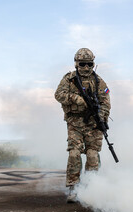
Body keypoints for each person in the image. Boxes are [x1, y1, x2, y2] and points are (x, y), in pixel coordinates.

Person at [55, 48, 111, 203]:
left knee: (93, 155)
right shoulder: (69, 79)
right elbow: (58, 95)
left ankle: (91, 189)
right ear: (76, 63)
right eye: (82, 64)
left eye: (89, 64)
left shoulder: (99, 82)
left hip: (93, 125)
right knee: (74, 154)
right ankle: (73, 188)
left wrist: (100, 117)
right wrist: (75, 99)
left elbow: (106, 103)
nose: (86, 67)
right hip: (75, 124)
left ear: (93, 64)